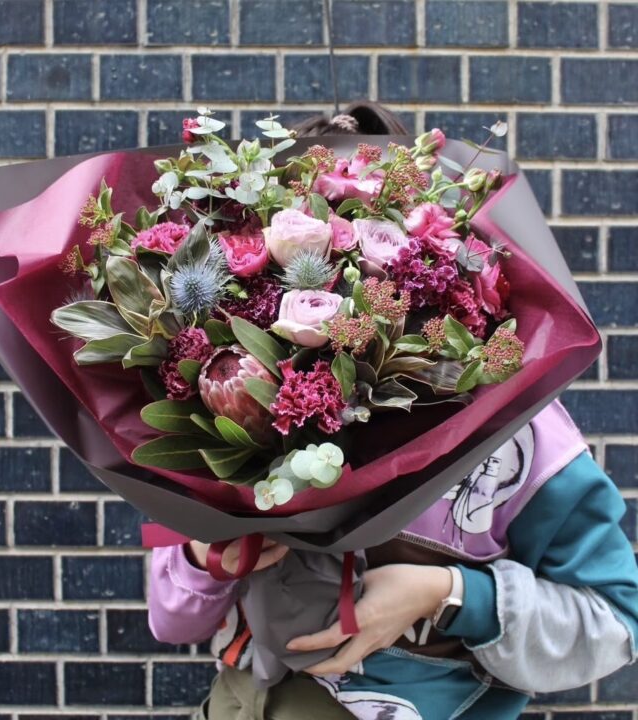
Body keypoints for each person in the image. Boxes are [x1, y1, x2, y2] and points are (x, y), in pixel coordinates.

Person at [146, 103, 638, 720]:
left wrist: (447, 592)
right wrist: (206, 556)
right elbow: (170, 620)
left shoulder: (518, 432)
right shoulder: (235, 410)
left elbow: (615, 622)